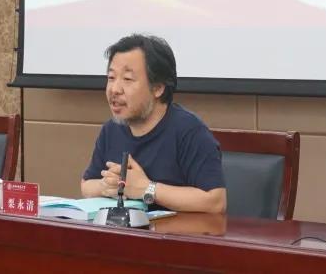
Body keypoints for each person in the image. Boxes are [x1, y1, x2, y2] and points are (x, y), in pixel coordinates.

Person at [81, 34, 226, 213]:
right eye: (111, 77)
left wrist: (147, 189)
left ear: (158, 88)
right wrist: (107, 185)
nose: (115, 89)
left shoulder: (189, 131)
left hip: (175, 231)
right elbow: (86, 185)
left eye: (127, 79)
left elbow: (215, 201)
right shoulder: (111, 129)